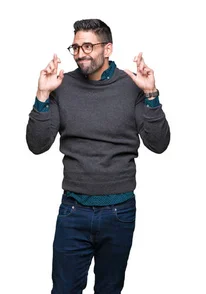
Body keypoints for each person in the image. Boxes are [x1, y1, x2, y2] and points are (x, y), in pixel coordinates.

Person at [26, 18, 170, 293]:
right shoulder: (61, 85)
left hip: (119, 212)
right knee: (64, 289)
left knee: (109, 289)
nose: (80, 53)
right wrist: (42, 94)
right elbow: (37, 144)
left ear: (108, 49)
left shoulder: (132, 85)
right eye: (76, 47)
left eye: (88, 46)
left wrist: (150, 94)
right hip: (73, 210)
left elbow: (159, 143)